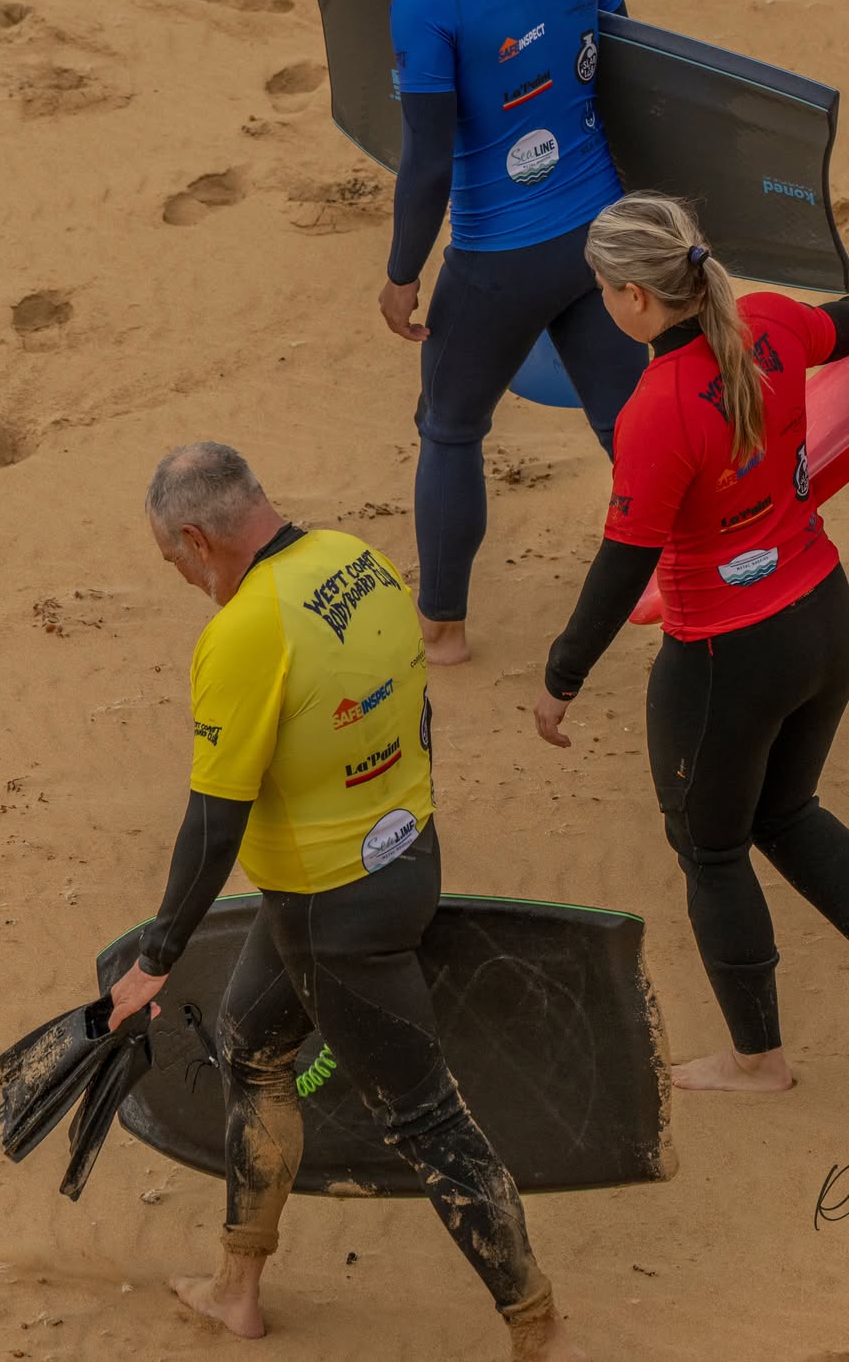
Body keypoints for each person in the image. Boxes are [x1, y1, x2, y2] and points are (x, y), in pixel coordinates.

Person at [105, 443, 588, 1361]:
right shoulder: (357, 562)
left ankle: (541, 1330)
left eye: (174, 561)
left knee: (427, 1118)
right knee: (252, 1046)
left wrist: (156, 957)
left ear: (198, 540)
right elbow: (417, 712)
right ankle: (237, 1286)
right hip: (404, 861)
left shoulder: (245, 631)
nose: (185, 580)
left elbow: (213, 821)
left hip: (331, 915)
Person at [528, 194, 849, 1093]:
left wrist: (561, 677)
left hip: (729, 657)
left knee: (712, 848)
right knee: (787, 810)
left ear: (636, 299)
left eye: (604, 288)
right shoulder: (769, 321)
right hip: (823, 617)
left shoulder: (656, 410)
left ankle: (757, 1059)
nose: (603, 301)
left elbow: (623, 566)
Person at [354, 0, 647, 667]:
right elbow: (630, 59)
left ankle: (443, 631)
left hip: (498, 260)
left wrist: (402, 272)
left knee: (449, 426)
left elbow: (427, 161)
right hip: (601, 234)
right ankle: (705, 576)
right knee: (632, 431)